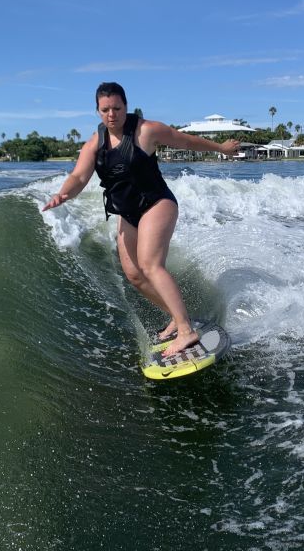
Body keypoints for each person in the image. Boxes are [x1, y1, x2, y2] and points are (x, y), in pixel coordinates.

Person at [42, 82, 240, 356]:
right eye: (105, 109)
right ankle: (176, 316)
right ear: (98, 111)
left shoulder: (146, 131)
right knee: (134, 275)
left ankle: (186, 331)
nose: (112, 114)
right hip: (128, 213)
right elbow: (78, 177)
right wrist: (62, 194)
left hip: (157, 203)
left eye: (117, 108)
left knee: (150, 264)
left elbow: (185, 140)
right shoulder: (94, 144)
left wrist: (220, 147)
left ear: (126, 106)